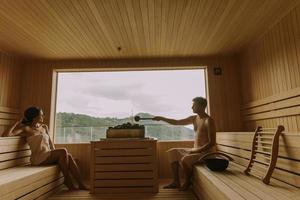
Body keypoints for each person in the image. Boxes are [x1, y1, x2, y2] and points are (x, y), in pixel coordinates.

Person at [2, 106, 88, 190]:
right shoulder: (26, 129)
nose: (43, 116)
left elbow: (50, 143)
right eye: (41, 114)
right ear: (34, 117)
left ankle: (80, 184)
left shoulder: (44, 127)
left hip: (48, 154)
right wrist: (17, 122)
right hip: (38, 158)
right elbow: (6, 134)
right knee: (63, 151)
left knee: (68, 156)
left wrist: (57, 154)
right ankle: (67, 179)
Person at [153, 97, 216, 190]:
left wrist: (196, 151)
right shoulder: (194, 118)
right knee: (172, 152)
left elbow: (212, 143)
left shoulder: (208, 120)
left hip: (206, 153)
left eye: (194, 105)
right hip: (196, 150)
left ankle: (187, 182)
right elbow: (176, 122)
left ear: (201, 106)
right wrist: (162, 118)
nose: (192, 107)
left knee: (185, 159)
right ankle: (176, 182)